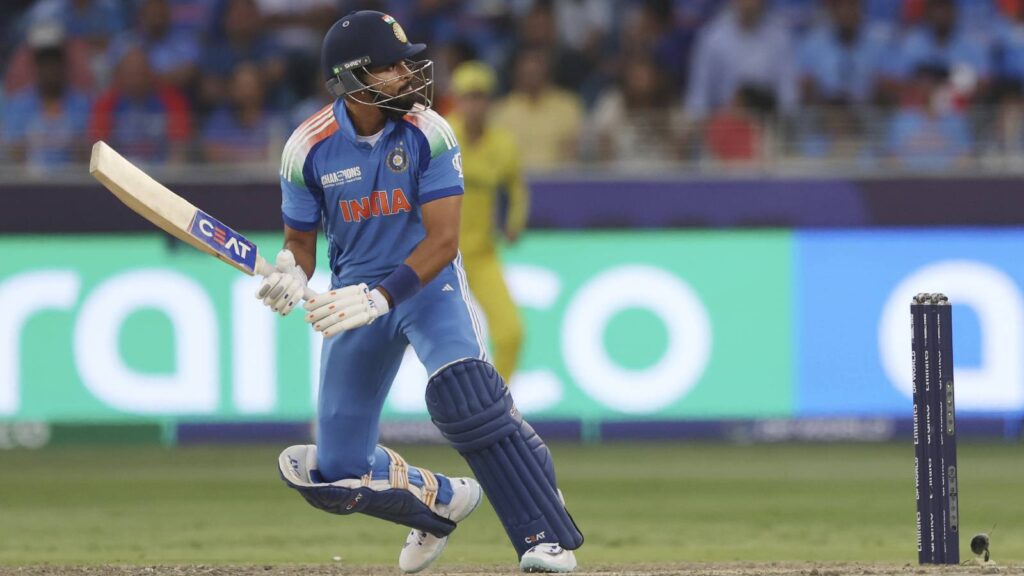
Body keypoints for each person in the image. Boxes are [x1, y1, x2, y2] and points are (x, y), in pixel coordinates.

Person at [259, 10, 583, 574]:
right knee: (336, 471)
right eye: (391, 67)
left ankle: (542, 536)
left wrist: (382, 297)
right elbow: (300, 243)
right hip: (353, 302)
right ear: (351, 77)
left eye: (407, 64)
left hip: (427, 286)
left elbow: (443, 241)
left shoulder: (430, 131)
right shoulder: (305, 147)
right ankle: (441, 498)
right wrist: (292, 271)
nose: (408, 75)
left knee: (469, 400)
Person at [447, 60, 527, 383]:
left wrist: (514, 222)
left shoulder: (503, 144)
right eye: (468, 97)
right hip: (436, 256)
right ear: (457, 100)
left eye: (480, 97)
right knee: (400, 334)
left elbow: (516, 189)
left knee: (511, 333)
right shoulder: (441, 136)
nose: (474, 105)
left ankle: (498, 401)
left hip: (481, 256)